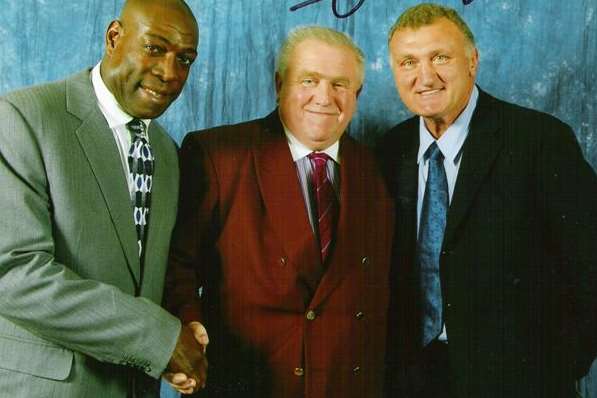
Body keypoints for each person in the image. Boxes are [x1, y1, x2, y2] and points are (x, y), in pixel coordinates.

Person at [379, 3, 597, 398]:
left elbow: (590, 264)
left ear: (472, 61)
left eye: (440, 57)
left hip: (520, 380)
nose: (424, 76)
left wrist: (559, 366)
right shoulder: (388, 151)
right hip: (412, 380)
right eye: (408, 61)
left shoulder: (539, 141)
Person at [166, 26, 394, 397]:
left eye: (340, 84)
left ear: (357, 94)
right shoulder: (218, 155)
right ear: (279, 84)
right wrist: (187, 328)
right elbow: (177, 267)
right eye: (309, 80)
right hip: (248, 382)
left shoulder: (377, 168)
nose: (324, 97)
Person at [0, 0, 208, 396]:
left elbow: (139, 276)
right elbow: (12, 273)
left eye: (185, 59)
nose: (169, 73)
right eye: (154, 48)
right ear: (114, 37)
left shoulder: (165, 151)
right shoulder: (21, 118)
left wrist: (184, 322)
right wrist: (160, 339)